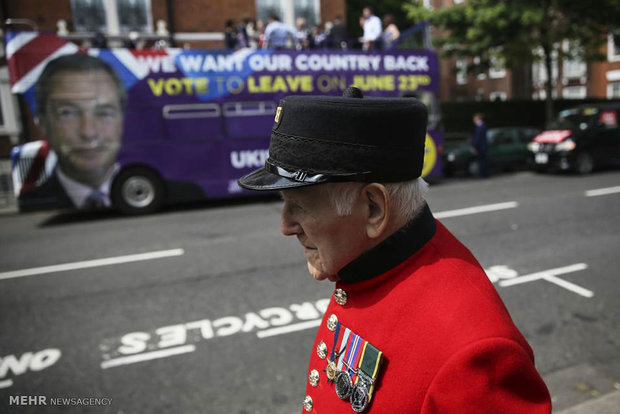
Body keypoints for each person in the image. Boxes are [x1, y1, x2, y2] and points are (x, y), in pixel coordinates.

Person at [238, 87, 551, 413]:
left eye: (300, 207)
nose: (285, 226)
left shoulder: (475, 355)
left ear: (374, 208)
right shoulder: (368, 263)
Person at [20, 54, 126, 211]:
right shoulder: (32, 198)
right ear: (42, 121)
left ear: (122, 120)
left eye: (104, 113)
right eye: (67, 113)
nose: (88, 132)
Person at [472, 112, 489, 177]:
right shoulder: (483, 126)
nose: (473, 121)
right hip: (483, 146)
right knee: (483, 161)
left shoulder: (480, 127)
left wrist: (474, 147)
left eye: (474, 119)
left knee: (482, 161)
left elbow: (477, 138)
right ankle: (484, 174)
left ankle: (482, 174)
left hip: (481, 147)